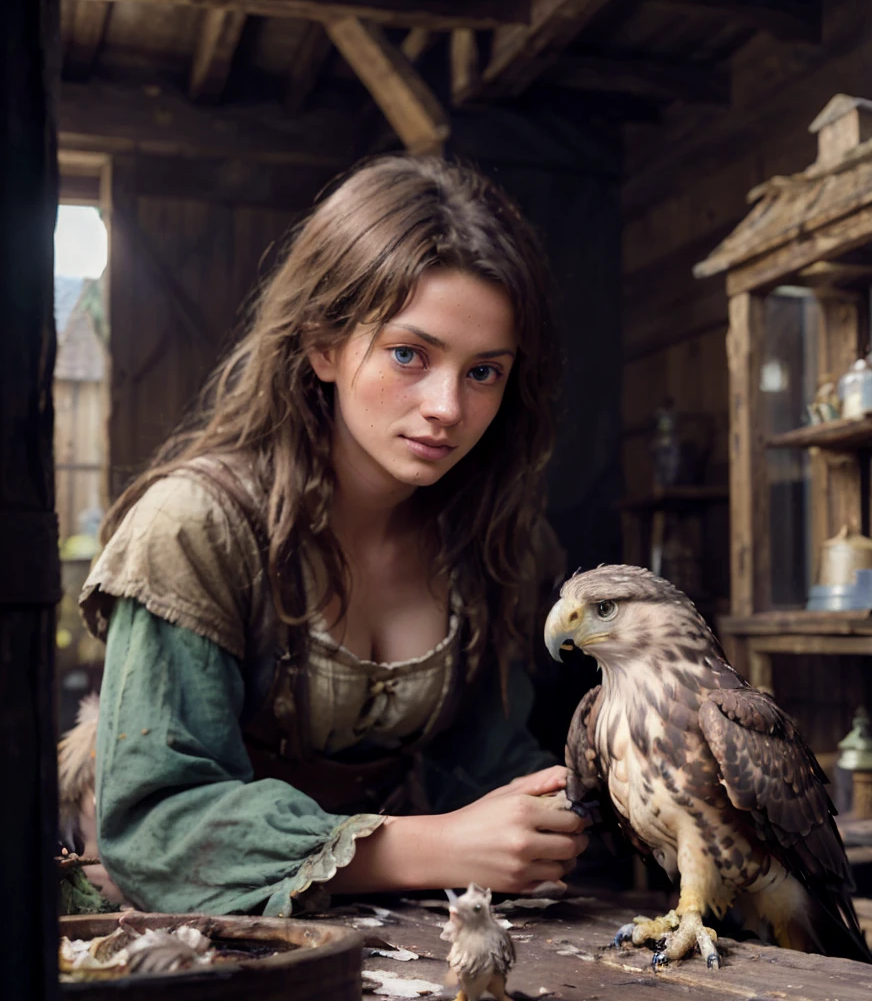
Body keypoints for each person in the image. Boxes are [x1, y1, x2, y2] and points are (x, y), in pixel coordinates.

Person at [78, 154, 590, 918]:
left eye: (484, 371)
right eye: (409, 355)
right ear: (324, 345)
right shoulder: (194, 528)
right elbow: (156, 829)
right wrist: (437, 845)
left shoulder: (493, 540)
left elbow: (485, 766)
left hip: (391, 934)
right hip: (190, 931)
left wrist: (570, 808)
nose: (447, 406)